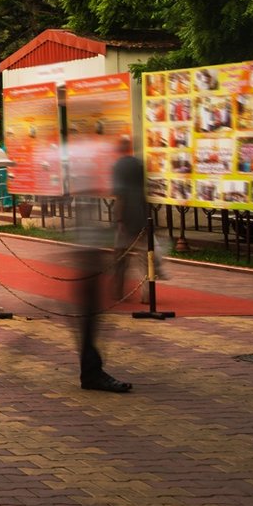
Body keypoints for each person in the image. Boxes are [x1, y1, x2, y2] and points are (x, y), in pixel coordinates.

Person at [77, 136, 144, 394]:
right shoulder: (135, 164)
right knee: (89, 316)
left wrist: (118, 218)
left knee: (122, 259)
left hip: (98, 243)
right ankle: (92, 372)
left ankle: (92, 371)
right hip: (93, 248)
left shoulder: (117, 167)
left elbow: (119, 196)